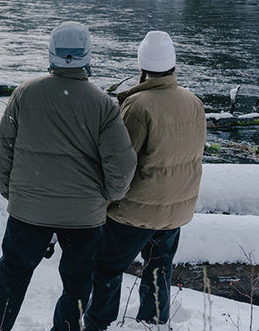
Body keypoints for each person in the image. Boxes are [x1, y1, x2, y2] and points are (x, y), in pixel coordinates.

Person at [0, 21, 137, 331]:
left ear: (50, 55)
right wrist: (108, 195)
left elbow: (5, 147)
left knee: (11, 275)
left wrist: (10, 190)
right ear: (87, 56)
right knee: (78, 284)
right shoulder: (103, 105)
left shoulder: (26, 93)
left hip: (29, 210)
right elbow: (121, 165)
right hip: (83, 216)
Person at [84, 31, 207, 330]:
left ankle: (98, 323)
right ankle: (153, 323)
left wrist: (104, 202)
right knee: (159, 269)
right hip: (175, 210)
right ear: (172, 64)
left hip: (135, 211)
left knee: (107, 267)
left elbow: (121, 162)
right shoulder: (194, 103)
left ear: (142, 65)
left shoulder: (138, 106)